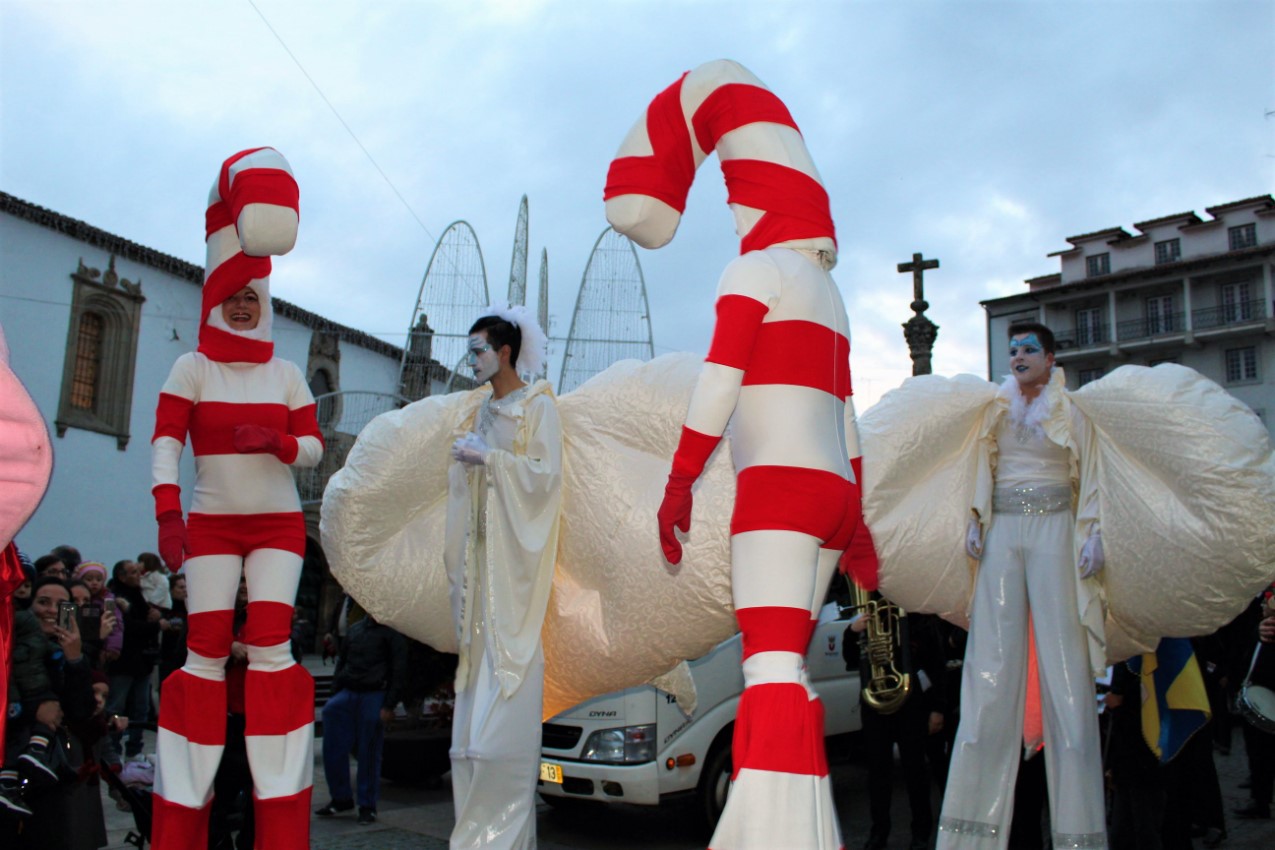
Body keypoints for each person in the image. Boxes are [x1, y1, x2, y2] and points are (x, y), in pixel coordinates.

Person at [607, 60, 873, 849]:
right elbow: (846, 412)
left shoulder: (754, 269)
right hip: (829, 494)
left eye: (734, 202)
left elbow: (719, 383)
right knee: (784, 672)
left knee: (768, 674)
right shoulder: (828, 293)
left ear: (755, 195)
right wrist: (855, 514)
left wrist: (679, 480)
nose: (732, 219)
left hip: (780, 497)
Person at [149, 147, 321, 850]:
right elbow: (164, 441)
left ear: (266, 303)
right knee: (205, 654)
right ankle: (179, 824)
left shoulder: (285, 372)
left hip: (277, 525)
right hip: (213, 525)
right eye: (234, 297)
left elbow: (312, 450)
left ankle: (280, 828)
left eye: (253, 296)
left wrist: (277, 444)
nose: (244, 306)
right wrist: (168, 515)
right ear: (216, 302)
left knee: (274, 651)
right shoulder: (190, 366)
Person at [936, 322, 1107, 850]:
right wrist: (974, 517)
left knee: (1064, 663)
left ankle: (1079, 831)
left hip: (1056, 527)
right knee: (990, 664)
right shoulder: (995, 409)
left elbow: (1093, 471)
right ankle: (972, 831)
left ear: (1051, 357)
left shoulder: (1073, 411)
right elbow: (981, 466)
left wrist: (1094, 529)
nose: (1019, 356)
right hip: (1004, 530)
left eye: (1029, 349)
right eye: (1013, 349)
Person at [444, 305, 559, 849]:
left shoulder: (539, 406)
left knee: (497, 740)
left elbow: (545, 480)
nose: (472, 360)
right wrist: (464, 467)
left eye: (479, 350)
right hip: (482, 568)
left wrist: (490, 463)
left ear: (505, 352)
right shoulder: (481, 413)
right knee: (466, 741)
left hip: (516, 576)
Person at [848, 610, 947, 850]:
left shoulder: (919, 619)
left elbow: (936, 664)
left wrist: (937, 708)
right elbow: (850, 660)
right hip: (875, 708)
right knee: (878, 775)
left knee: (916, 772)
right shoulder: (866, 619)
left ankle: (921, 833)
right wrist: (852, 632)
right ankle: (879, 832)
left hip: (912, 707)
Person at [315, 606, 408, 825]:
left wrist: (389, 704)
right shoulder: (356, 630)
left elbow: (399, 670)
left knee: (369, 751)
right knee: (334, 746)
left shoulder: (392, 633)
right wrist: (334, 693)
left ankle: (367, 804)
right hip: (350, 690)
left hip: (373, 693)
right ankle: (341, 797)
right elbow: (342, 662)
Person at [104, 559, 159, 768]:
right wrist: (155, 625)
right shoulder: (116, 596)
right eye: (133, 572)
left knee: (141, 708)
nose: (138, 575)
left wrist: (154, 618)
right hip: (123, 662)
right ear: (121, 575)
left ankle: (135, 751)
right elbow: (129, 627)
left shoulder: (138, 595)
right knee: (117, 707)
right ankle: (114, 750)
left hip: (141, 661)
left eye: (138, 572)